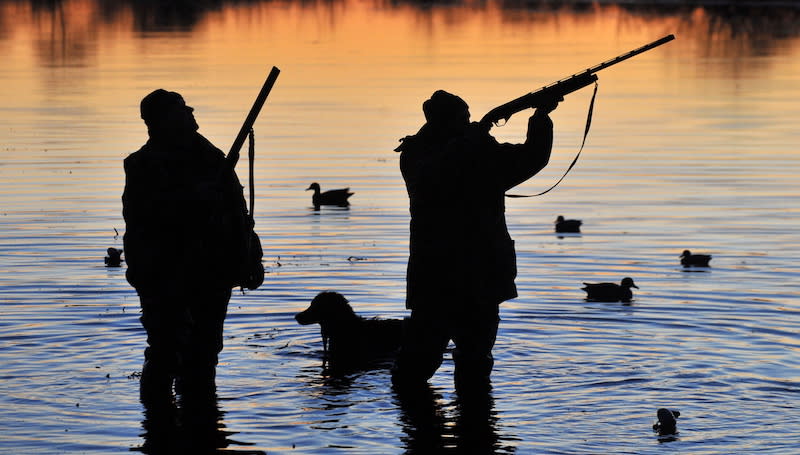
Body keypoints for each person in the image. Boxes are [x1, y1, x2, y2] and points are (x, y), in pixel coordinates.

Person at [391, 90, 559, 394]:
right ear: (444, 121)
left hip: (472, 276)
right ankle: (425, 428)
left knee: (474, 364)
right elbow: (437, 175)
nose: (470, 124)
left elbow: (530, 158)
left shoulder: (475, 152)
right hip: (444, 277)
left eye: (470, 120)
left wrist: (541, 117)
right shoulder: (419, 155)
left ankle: (452, 430)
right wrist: (474, 139)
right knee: (418, 365)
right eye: (464, 119)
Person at [123, 89, 251, 402]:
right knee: (165, 353)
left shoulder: (211, 157)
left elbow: (238, 213)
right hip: (163, 273)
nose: (191, 111)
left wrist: (248, 258)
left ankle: (202, 427)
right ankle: (157, 429)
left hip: (211, 271)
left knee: (204, 355)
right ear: (164, 120)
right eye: (182, 108)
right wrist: (195, 198)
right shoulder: (141, 166)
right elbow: (144, 220)